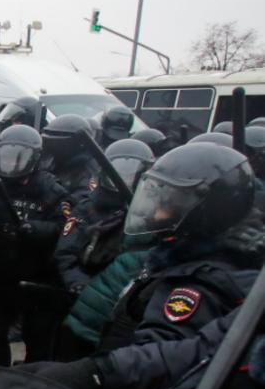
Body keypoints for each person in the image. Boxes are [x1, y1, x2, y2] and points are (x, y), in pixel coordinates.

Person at [96, 142, 262, 350]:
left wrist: (99, 373)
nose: (156, 214)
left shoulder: (203, 281)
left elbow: (156, 358)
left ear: (208, 211)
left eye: (169, 205)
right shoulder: (174, 255)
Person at [0, 124, 72, 364]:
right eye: (6, 155)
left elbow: (66, 228)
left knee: (38, 335)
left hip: (36, 275)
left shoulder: (49, 187)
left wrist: (37, 230)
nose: (11, 163)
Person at [55, 139, 156, 358]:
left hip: (123, 309)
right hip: (79, 297)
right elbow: (65, 251)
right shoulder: (86, 207)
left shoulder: (150, 215)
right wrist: (77, 282)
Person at [40, 113, 99, 206]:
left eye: (57, 135)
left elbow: (83, 198)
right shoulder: (51, 161)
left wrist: (53, 193)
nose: (52, 145)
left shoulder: (90, 169)